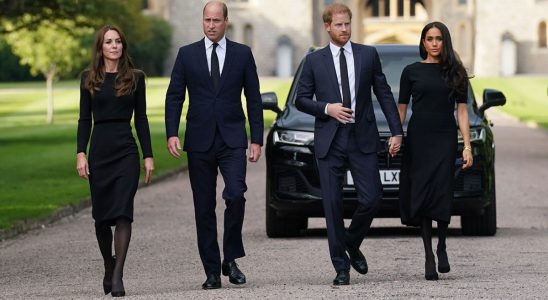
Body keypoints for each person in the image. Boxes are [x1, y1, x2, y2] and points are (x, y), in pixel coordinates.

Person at [295, 3, 403, 285]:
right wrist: (327, 108)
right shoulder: (314, 61)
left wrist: (396, 131)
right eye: (339, 25)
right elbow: (301, 99)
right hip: (330, 140)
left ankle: (351, 242)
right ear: (327, 27)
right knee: (332, 205)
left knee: (372, 197)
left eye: (347, 24)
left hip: (361, 137)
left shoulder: (368, 55)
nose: (344, 29)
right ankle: (341, 268)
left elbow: (384, 93)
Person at [164, 1, 263, 290]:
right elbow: (174, 97)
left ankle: (230, 258)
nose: (211, 25)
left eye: (216, 20)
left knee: (235, 195)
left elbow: (254, 99)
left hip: (232, 139)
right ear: (202, 21)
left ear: (226, 22)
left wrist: (256, 138)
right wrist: (172, 133)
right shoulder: (187, 55)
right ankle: (211, 271)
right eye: (207, 19)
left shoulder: (243, 54)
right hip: (199, 141)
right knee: (203, 207)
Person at [76, 25, 154, 297]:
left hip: (126, 152)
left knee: (123, 213)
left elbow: (141, 119)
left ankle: (118, 274)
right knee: (101, 219)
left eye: (118, 41)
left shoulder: (135, 78)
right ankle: (108, 265)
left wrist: (147, 155)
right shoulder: (88, 79)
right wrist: (80, 153)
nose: (114, 46)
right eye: (108, 42)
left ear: (123, 46)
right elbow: (84, 119)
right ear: (100, 47)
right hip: (99, 151)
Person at [397, 21, 473, 281]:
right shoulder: (411, 72)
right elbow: (402, 109)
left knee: (441, 190)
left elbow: (462, 112)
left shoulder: (456, 72)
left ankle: (442, 245)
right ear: (423, 42)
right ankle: (428, 253)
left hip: (445, 138)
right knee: (423, 192)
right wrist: (397, 136)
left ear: (445, 41)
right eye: (429, 38)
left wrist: (467, 146)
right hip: (419, 139)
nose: (434, 43)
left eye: (438, 38)